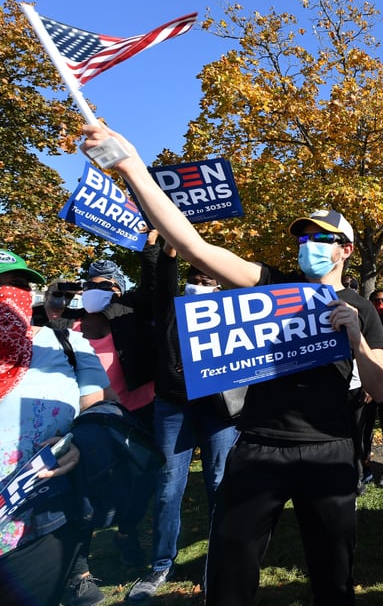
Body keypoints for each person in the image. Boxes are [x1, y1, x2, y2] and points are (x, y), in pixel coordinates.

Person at [83, 124, 383, 605]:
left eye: (322, 237)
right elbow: (194, 247)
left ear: (345, 249)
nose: (308, 244)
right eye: (303, 236)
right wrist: (130, 168)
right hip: (258, 447)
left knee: (334, 574)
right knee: (230, 567)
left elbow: (380, 387)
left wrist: (355, 339)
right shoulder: (271, 285)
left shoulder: (363, 306)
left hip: (328, 450)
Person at [0, 248, 108, 606]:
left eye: (20, 287)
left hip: (36, 524)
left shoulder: (66, 344)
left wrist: (82, 441)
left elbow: (100, 409)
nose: (8, 297)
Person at [126, 238, 239, 601]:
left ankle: (217, 563)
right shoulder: (171, 307)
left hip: (219, 411)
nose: (200, 285)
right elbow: (161, 277)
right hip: (173, 408)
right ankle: (161, 564)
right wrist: (168, 251)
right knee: (167, 487)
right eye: (195, 278)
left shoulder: (233, 311)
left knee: (220, 485)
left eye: (208, 281)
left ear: (220, 286)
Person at [67, 243, 159, 603]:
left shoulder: (131, 318)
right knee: (83, 491)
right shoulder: (67, 327)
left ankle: (127, 533)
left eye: (109, 286)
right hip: (89, 420)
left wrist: (152, 253)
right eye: (93, 284)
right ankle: (80, 567)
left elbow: (154, 291)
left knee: (141, 483)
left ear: (120, 291)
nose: (100, 291)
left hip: (139, 412)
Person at [359, 288, 383, 490]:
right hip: (366, 380)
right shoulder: (363, 320)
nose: (380, 304)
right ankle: (365, 467)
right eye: (376, 300)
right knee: (365, 423)